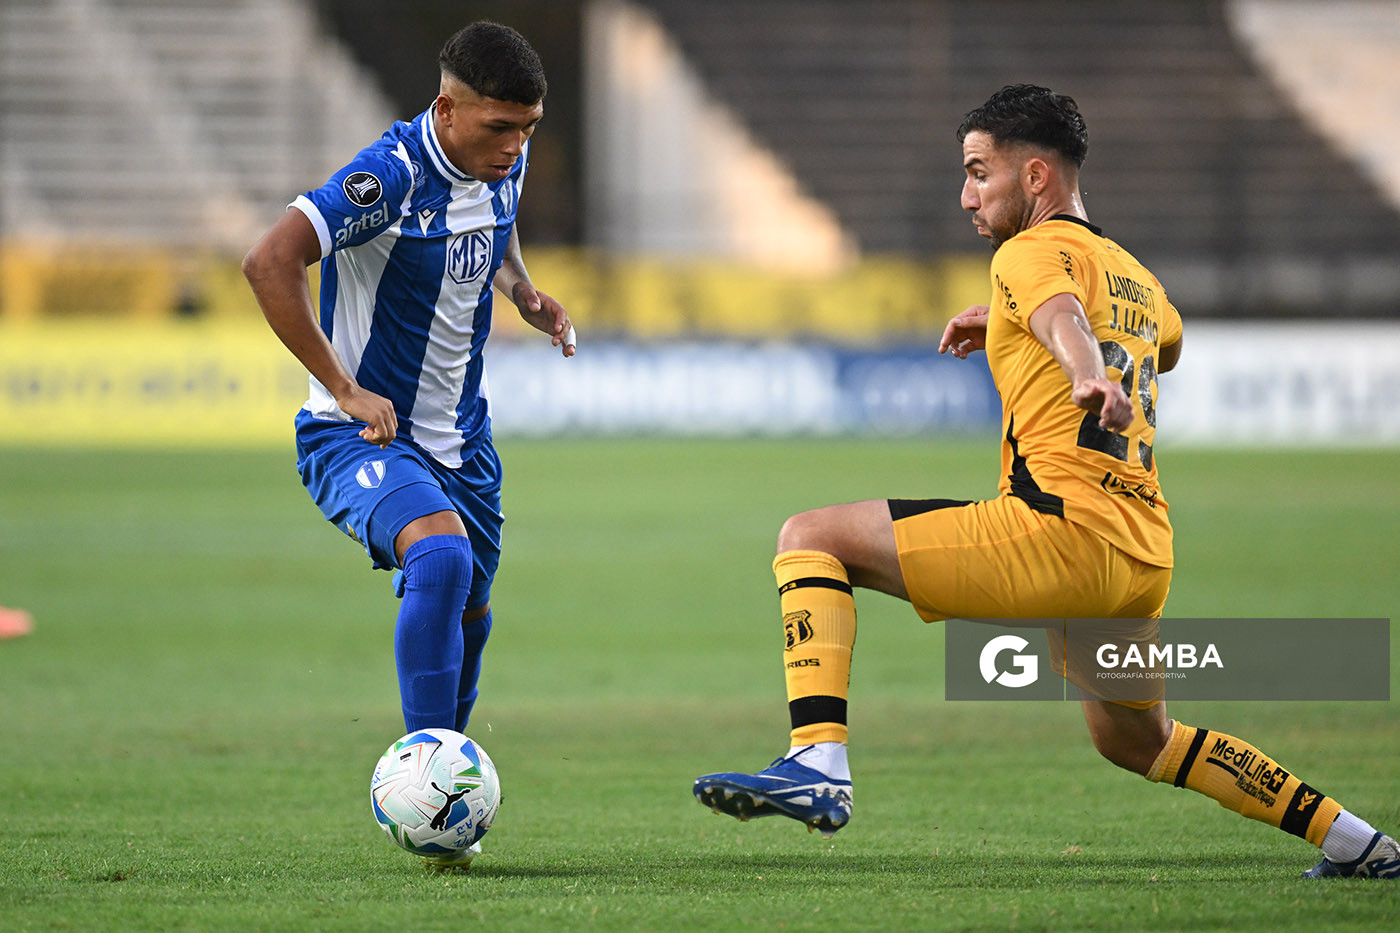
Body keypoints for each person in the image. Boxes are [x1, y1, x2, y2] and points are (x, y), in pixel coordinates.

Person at [693, 84, 1397, 879]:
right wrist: (1010, 322)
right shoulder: (1134, 274)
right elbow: (1165, 342)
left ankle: (817, 761)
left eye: (977, 172)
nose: (966, 195)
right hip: (1136, 558)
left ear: (1035, 178)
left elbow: (1063, 314)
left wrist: (1084, 370)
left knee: (810, 536)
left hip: (1055, 534)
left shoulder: (1028, 255)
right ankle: (1360, 843)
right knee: (1138, 740)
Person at [243, 21, 574, 869]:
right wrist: (346, 387)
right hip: (356, 433)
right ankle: (427, 765)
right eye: (499, 128)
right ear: (447, 107)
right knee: (441, 559)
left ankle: (438, 818)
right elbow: (269, 262)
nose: (515, 147)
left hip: (465, 442)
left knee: (470, 613)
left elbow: (492, 228)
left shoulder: (505, 158)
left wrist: (522, 290)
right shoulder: (386, 177)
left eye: (527, 129)